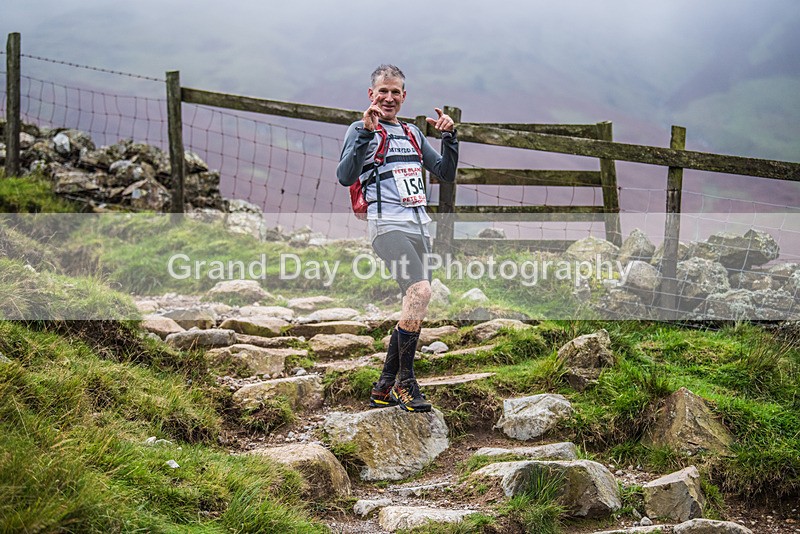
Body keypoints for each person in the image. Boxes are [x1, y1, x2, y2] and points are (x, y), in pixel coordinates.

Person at [336, 64, 458, 413]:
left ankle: (383, 386)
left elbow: (445, 172)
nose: (388, 97)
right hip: (387, 226)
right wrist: (364, 132)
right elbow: (345, 176)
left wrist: (450, 138)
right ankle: (407, 384)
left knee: (414, 304)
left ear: (404, 97)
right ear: (371, 95)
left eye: (395, 92)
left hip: (419, 228)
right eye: (382, 91)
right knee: (420, 291)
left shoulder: (412, 133)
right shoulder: (360, 130)